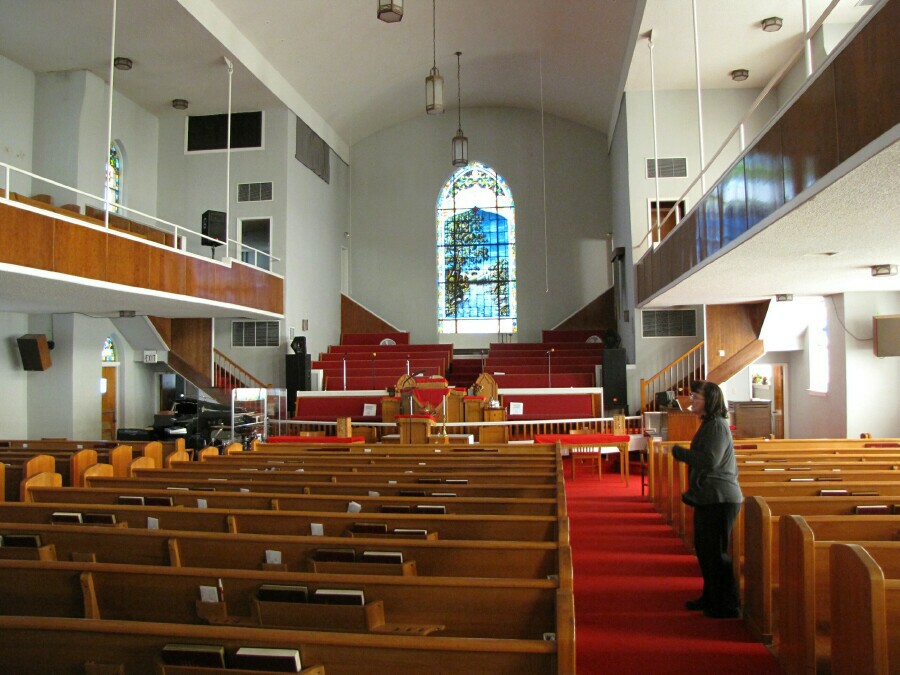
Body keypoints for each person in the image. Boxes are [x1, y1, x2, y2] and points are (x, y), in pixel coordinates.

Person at [673, 380, 743, 618]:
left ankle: (727, 605)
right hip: (710, 497)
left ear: (710, 401)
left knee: (716, 552)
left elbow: (710, 460)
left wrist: (680, 453)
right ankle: (710, 597)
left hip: (720, 497)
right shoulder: (710, 424)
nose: (691, 401)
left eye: (696, 397)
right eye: (691, 396)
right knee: (705, 551)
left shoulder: (716, 426)